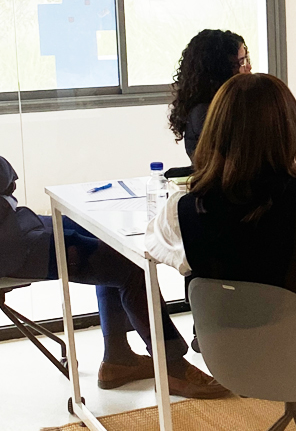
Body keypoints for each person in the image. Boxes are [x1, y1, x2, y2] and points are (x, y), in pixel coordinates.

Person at [146, 73, 296, 431]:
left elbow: (158, 249)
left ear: (214, 132)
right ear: (291, 129)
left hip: (234, 355)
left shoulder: (182, 209)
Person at [0, 156, 226, 399]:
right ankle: (173, 367)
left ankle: (118, 359)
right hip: (12, 246)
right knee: (130, 266)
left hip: (12, 226)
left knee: (106, 238)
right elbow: (4, 176)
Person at [169, 29, 250, 162]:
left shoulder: (232, 103)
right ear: (221, 70)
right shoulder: (204, 113)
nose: (248, 68)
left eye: (246, 59)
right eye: (241, 63)